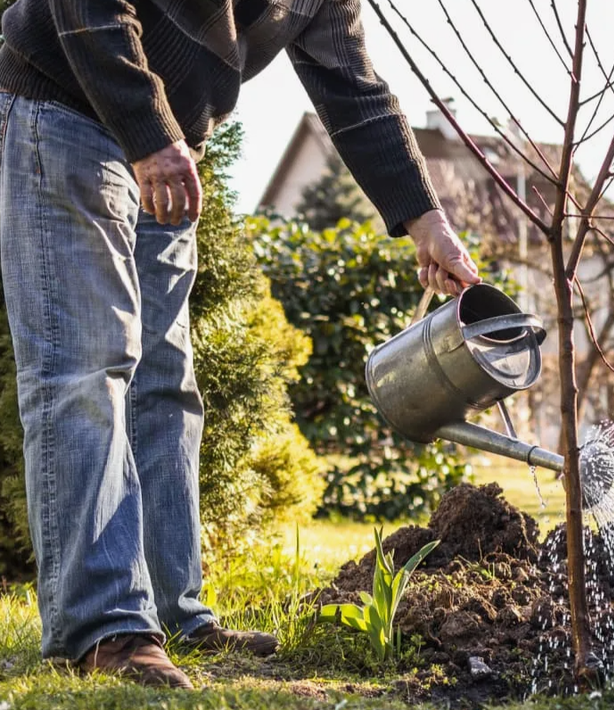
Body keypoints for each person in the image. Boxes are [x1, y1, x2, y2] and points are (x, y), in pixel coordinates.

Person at [0, 0, 481, 690]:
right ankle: (105, 626)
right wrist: (148, 134)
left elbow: (354, 89)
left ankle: (177, 611)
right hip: (67, 107)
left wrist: (425, 221)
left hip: (168, 146)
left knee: (164, 385)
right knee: (88, 368)